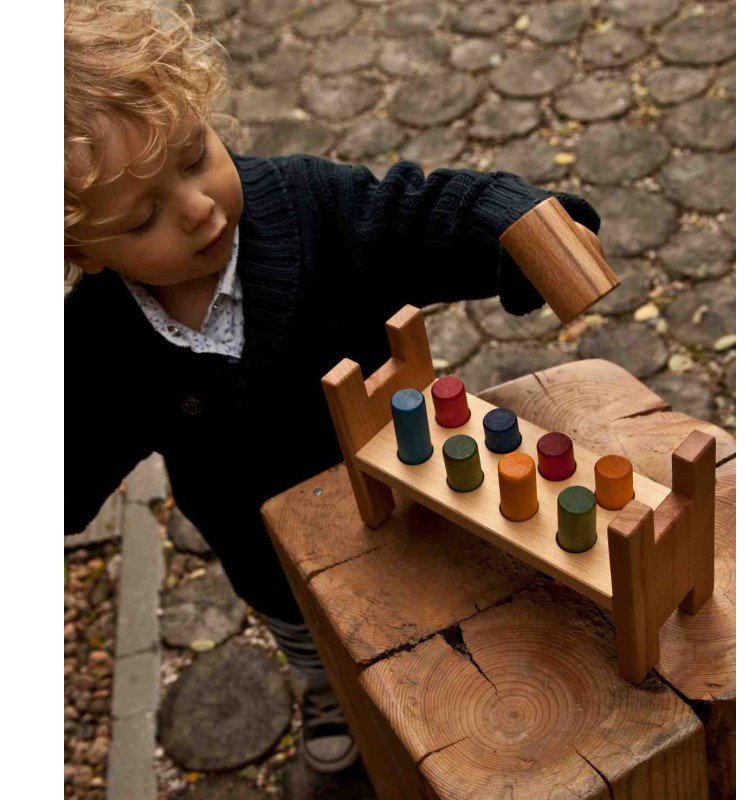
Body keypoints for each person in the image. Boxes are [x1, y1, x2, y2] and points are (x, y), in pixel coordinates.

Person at [64, 0, 601, 775]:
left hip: (408, 496)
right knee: (308, 634)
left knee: (439, 618)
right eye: (144, 217)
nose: (198, 207)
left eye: (193, 155)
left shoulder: (314, 206)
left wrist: (515, 226)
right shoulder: (97, 340)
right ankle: (328, 687)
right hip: (265, 551)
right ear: (84, 247)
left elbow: (421, 214)